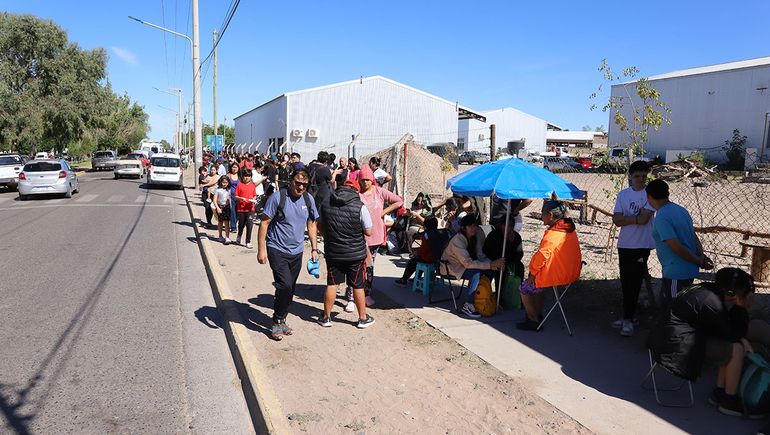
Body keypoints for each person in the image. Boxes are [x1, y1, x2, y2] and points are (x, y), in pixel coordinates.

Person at [647, 268, 758, 417]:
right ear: (731, 293)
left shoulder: (706, 290)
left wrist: (740, 336)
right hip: (676, 346)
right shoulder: (711, 302)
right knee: (736, 349)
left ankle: (719, 393)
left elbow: (723, 329)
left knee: (731, 345)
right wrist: (741, 308)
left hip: (667, 337)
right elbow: (731, 333)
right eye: (742, 292)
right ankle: (729, 400)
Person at [258, 169, 319, 340]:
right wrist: (261, 249)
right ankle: (277, 321)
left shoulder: (308, 199)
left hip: (297, 251)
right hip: (276, 248)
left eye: (304, 185)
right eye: (297, 183)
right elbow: (264, 223)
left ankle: (282, 319)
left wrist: (314, 249)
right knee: (284, 285)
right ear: (291, 181)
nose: (300, 187)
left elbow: (312, 224)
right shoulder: (278, 197)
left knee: (289, 288)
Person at [646, 179, 714, 305]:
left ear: (649, 197)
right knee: (681, 305)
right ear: (667, 194)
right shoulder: (681, 210)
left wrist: (698, 260)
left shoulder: (661, 217)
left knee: (672, 309)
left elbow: (676, 247)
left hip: (676, 272)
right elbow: (693, 236)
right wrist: (700, 256)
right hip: (689, 269)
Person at [318, 179, 375, 329]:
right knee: (357, 285)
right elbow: (369, 231)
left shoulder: (326, 204)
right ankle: (362, 318)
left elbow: (320, 227)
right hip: (355, 254)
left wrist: (329, 237)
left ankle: (326, 317)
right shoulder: (359, 206)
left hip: (333, 252)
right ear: (355, 191)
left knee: (332, 283)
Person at [345, 165, 404, 311]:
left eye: (367, 180)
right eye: (362, 180)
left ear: (372, 180)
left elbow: (399, 201)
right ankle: (351, 296)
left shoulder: (379, 191)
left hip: (376, 236)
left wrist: (383, 212)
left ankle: (367, 293)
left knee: (369, 267)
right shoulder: (356, 193)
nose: (365, 182)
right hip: (358, 236)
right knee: (355, 266)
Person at [518, 200, 582, 331]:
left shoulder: (554, 234)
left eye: (542, 214)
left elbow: (541, 256)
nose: (541, 217)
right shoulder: (568, 229)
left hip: (557, 274)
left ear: (551, 215)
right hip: (571, 271)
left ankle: (533, 319)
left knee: (524, 288)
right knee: (538, 285)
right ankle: (538, 315)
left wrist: (532, 273)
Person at [611, 161, 656, 337]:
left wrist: (628, 219)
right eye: (637, 176)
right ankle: (627, 316)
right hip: (625, 244)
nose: (640, 180)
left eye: (644, 176)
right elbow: (616, 219)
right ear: (631, 176)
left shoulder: (650, 195)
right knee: (625, 282)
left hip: (642, 245)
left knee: (635, 282)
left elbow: (644, 219)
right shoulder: (623, 195)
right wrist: (635, 218)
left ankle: (629, 319)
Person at [441, 214, 504, 318]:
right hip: (452, 267)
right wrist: (490, 264)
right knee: (476, 273)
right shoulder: (458, 240)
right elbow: (467, 263)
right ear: (463, 228)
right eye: (470, 226)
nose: (473, 228)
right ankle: (468, 304)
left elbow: (480, 255)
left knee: (491, 270)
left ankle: (483, 297)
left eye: (475, 225)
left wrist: (492, 264)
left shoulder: (476, 235)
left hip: (466, 265)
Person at [395, 217, 446, 286]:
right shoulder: (441, 233)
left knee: (414, 261)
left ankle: (404, 280)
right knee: (421, 259)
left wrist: (416, 252)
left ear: (424, 226)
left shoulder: (425, 235)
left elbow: (420, 250)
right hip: (441, 259)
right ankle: (417, 278)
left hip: (431, 259)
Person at [482, 218, 525, 283]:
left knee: (519, 266)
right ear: (502, 225)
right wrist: (497, 261)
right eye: (507, 225)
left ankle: (517, 289)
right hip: (493, 259)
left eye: (511, 225)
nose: (509, 228)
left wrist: (511, 242)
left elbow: (520, 254)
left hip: (509, 260)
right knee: (499, 269)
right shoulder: (494, 235)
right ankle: (499, 292)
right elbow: (486, 251)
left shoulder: (516, 236)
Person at [234, 169, 258, 248]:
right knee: (241, 224)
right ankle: (239, 236)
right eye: (245, 176)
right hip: (241, 209)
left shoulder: (252, 185)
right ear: (242, 177)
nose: (247, 178)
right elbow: (236, 196)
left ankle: (248, 241)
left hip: (250, 209)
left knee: (250, 224)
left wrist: (253, 199)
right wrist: (241, 198)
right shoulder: (239, 185)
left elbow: (254, 195)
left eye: (248, 176)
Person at [213, 176, 233, 244]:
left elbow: (229, 198)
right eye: (223, 182)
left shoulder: (229, 190)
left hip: (227, 207)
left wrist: (230, 206)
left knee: (227, 222)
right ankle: (220, 236)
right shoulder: (218, 190)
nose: (225, 184)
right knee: (220, 222)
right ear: (220, 182)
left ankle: (227, 237)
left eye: (226, 182)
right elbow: (215, 200)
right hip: (220, 207)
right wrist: (217, 208)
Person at [228, 162, 241, 232]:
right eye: (233, 167)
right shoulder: (229, 175)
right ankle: (233, 227)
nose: (234, 169)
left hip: (239, 197)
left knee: (237, 212)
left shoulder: (240, 176)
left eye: (236, 167)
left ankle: (234, 223)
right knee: (232, 211)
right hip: (231, 196)